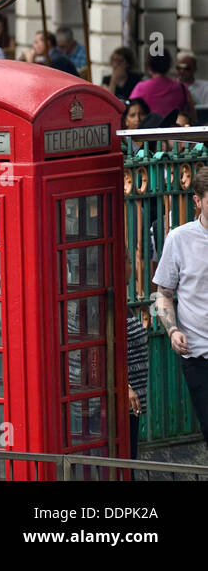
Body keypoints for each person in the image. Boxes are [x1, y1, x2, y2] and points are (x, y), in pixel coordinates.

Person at [153, 166, 208, 445]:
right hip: (198, 355)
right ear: (197, 201)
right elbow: (163, 292)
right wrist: (173, 331)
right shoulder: (179, 238)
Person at [131, 51, 192, 120]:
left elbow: (130, 110)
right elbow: (191, 113)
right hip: (175, 128)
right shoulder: (181, 88)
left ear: (149, 66)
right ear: (169, 65)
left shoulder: (140, 88)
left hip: (149, 129)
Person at [128, 303, 150, 461]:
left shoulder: (125, 302)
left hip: (134, 400)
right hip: (121, 398)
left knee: (131, 458)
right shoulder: (104, 303)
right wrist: (124, 387)